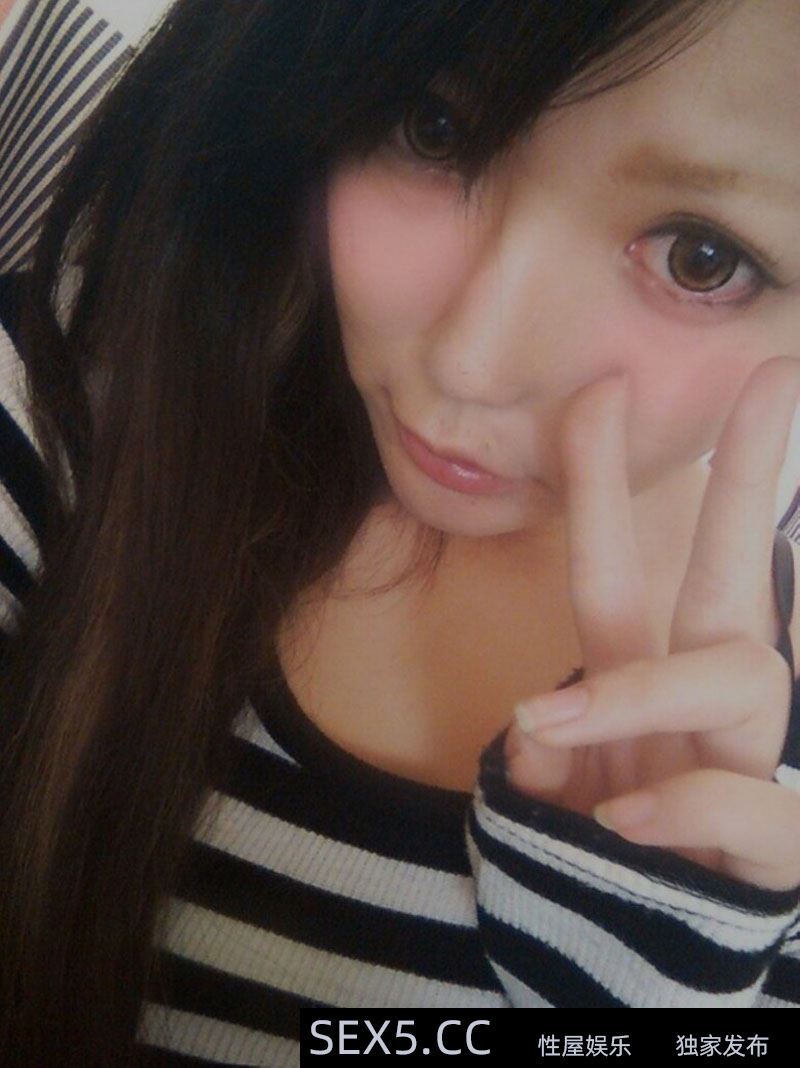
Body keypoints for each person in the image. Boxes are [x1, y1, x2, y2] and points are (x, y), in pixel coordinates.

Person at [0, 0, 799, 1064]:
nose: (471, 363)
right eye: (434, 130)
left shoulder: (765, 792)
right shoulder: (72, 407)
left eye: (699, 257)